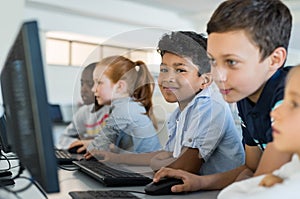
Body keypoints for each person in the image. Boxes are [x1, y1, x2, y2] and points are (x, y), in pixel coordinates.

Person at [153, 0, 293, 193]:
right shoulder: (245, 96)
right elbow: (251, 168)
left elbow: (263, 183)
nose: (218, 76)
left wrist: (247, 180)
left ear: (274, 59)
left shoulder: (290, 94)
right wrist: (199, 182)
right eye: (213, 61)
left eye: (231, 62)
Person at [87, 31, 245, 175]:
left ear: (205, 80)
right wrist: (114, 158)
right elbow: (168, 154)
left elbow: (185, 166)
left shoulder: (209, 106)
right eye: (164, 70)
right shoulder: (179, 113)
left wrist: (157, 163)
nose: (168, 78)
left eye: (180, 70)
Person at [218, 65, 300, 199]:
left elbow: (229, 195)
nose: (275, 112)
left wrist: (260, 186)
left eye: (294, 104)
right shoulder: (295, 165)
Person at [77, 55, 162, 156]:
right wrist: (91, 143)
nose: (93, 89)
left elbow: (99, 146)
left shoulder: (124, 110)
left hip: (144, 169)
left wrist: (92, 146)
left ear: (120, 87)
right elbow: (116, 144)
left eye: (99, 82)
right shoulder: (129, 105)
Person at [57, 62, 110, 150]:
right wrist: (80, 143)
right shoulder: (83, 112)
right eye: (82, 84)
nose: (83, 90)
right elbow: (62, 139)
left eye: (90, 84)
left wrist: (91, 142)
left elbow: (115, 145)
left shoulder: (113, 111)